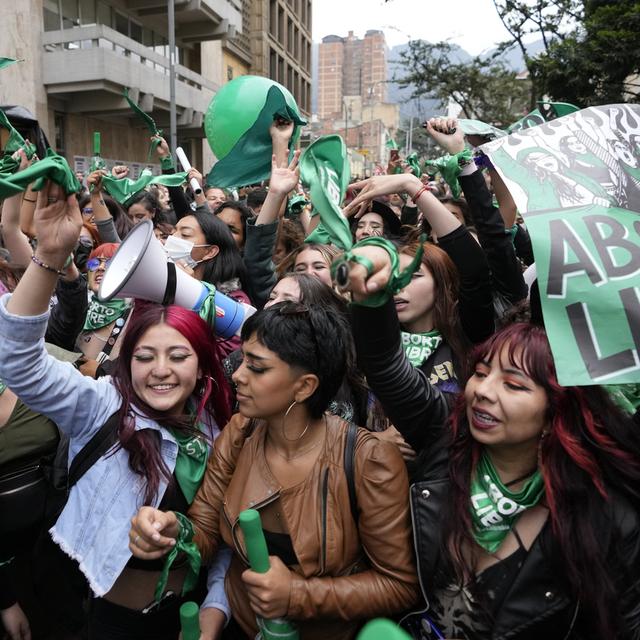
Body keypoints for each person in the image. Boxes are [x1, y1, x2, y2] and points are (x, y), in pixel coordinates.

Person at [339, 238, 640, 639]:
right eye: (481, 372)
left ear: (555, 414)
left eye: (513, 385)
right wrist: (376, 278)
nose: (483, 390)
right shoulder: (445, 435)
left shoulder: (604, 517)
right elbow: (384, 363)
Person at [0, 180, 233, 640]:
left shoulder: (219, 427)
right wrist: (48, 255)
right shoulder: (102, 404)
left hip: (191, 619)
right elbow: (19, 362)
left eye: (179, 356)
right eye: (145, 357)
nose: (161, 371)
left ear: (203, 362)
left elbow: (224, 536)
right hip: (104, 620)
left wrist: (214, 612)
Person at [129, 302, 419, 640]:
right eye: (242, 361)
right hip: (240, 625)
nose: (237, 375)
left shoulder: (369, 460)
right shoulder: (239, 433)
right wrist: (172, 531)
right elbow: (205, 531)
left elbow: (398, 585)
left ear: (305, 386)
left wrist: (297, 595)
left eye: (257, 367)